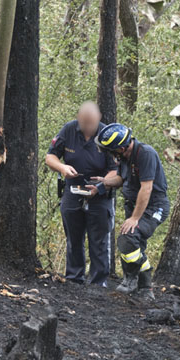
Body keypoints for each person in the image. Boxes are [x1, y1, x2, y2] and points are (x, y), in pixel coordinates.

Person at [87, 123, 170, 300]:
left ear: (122, 147)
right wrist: (102, 183)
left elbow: (146, 189)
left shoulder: (145, 154)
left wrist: (134, 218)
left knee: (128, 238)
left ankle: (140, 283)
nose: (110, 154)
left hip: (154, 208)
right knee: (133, 244)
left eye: (111, 150)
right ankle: (137, 285)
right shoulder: (125, 157)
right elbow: (120, 179)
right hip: (134, 205)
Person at [45, 102, 117, 287]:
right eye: (84, 123)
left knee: (99, 240)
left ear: (99, 119)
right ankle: (74, 279)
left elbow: (116, 171)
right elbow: (50, 156)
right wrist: (63, 168)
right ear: (79, 119)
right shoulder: (69, 130)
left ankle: (98, 283)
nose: (88, 127)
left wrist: (101, 184)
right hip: (72, 190)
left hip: (100, 193)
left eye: (91, 123)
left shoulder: (107, 135)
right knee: (73, 237)